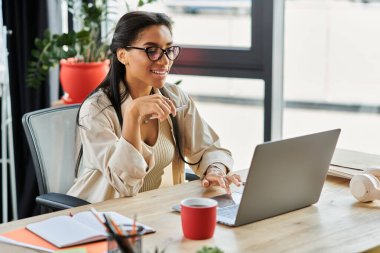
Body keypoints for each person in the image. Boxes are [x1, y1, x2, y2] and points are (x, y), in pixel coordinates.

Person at [67, 11, 242, 203]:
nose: (165, 60)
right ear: (123, 55)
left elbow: (208, 149)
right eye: (152, 50)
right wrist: (133, 114)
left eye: (168, 49)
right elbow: (125, 184)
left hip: (154, 211)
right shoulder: (96, 110)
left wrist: (214, 170)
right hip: (102, 216)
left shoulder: (175, 97)